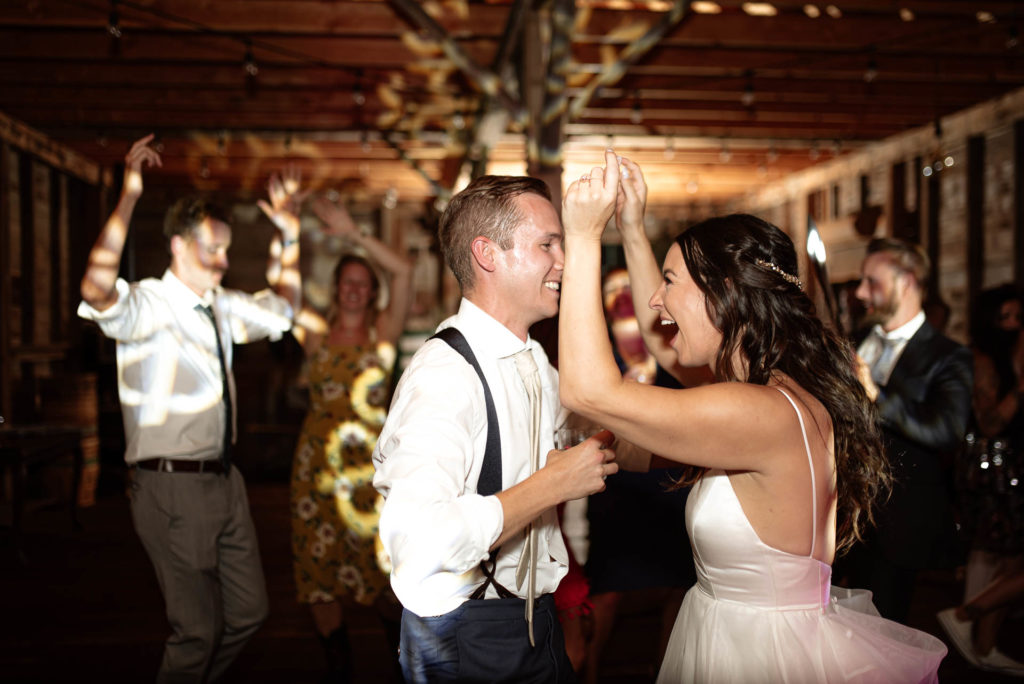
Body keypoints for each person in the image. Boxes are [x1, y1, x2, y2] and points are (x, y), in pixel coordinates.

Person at [557, 150, 947, 683]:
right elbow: (662, 348)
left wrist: (580, 237)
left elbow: (587, 390)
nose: (655, 300)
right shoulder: (775, 393)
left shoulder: (755, 412)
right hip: (746, 635)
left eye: (670, 282)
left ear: (721, 296)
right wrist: (631, 226)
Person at [371, 174, 617, 683]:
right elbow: (416, 543)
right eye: (547, 244)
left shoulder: (531, 357)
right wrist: (550, 487)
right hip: (466, 636)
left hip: (532, 621)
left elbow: (588, 430)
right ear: (488, 254)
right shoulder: (444, 375)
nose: (563, 260)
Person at [78, 134, 303, 682]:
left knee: (250, 613)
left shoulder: (220, 306)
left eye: (226, 249)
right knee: (197, 629)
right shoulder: (148, 304)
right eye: (213, 249)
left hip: (225, 481)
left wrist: (291, 233)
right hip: (170, 485)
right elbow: (95, 285)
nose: (224, 261)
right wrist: (129, 196)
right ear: (178, 245)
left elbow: (286, 308)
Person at [288, 196, 413, 682]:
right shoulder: (316, 333)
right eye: (348, 281)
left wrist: (352, 233)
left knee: (384, 580)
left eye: (364, 283)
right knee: (320, 581)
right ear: (336, 288)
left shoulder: (384, 332)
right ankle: (339, 671)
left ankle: (406, 667)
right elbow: (288, 294)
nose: (355, 289)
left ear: (371, 292)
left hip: (371, 475)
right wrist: (287, 226)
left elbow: (402, 271)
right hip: (316, 472)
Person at [842, 237, 974, 623]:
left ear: (908, 281)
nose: (862, 292)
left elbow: (947, 430)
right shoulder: (858, 342)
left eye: (872, 281)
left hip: (897, 523)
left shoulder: (949, 356)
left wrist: (875, 395)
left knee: (882, 635)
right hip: (841, 516)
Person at [937, 284, 1024, 674]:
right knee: (998, 556)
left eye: (1019, 317)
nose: (1014, 325)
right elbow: (989, 424)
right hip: (992, 469)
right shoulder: (982, 360)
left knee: (1010, 562)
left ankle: (984, 644)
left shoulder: (1010, 357)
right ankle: (967, 617)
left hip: (1012, 467)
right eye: (1005, 317)